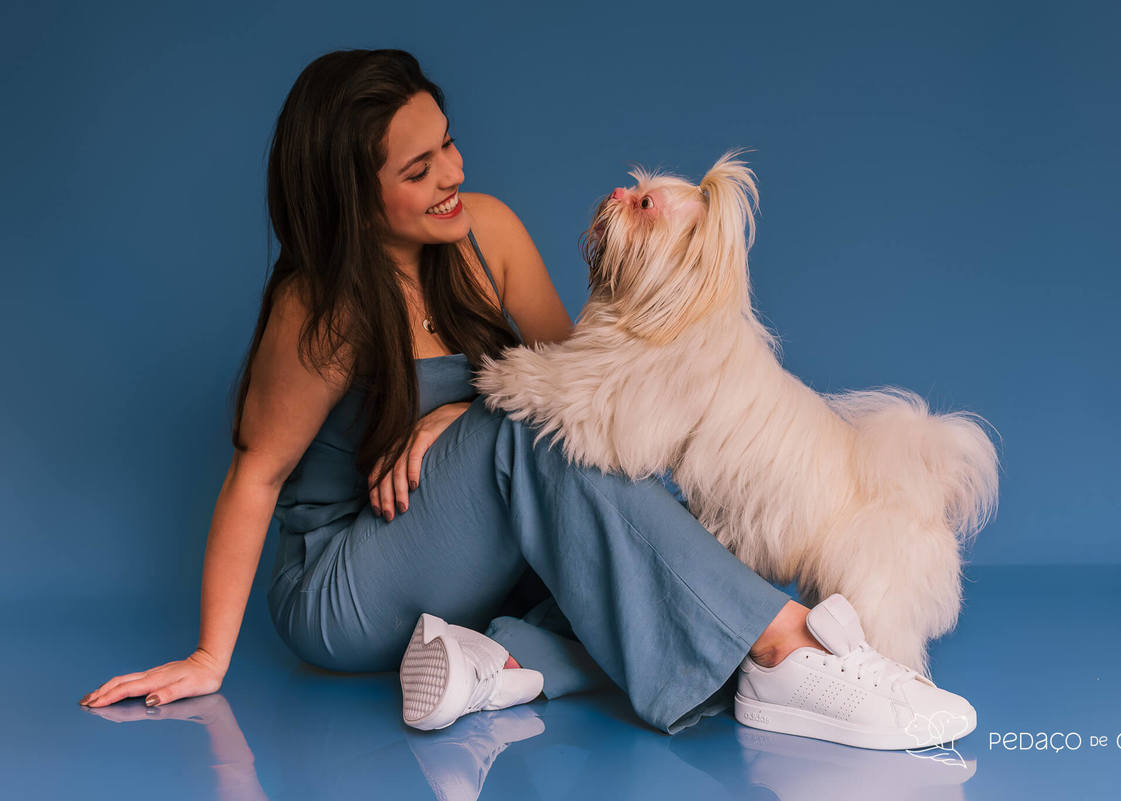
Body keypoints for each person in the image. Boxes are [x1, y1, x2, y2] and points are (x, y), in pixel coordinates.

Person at [78, 49, 976, 748]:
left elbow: (577, 388)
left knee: (610, 525)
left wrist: (456, 414)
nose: (451, 174)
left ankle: (494, 662)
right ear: (353, 195)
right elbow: (257, 476)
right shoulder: (323, 307)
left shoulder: (486, 230)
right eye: (418, 168)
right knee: (546, 457)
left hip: (474, 560)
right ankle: (786, 648)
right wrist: (208, 655)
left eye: (449, 144)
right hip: (349, 577)